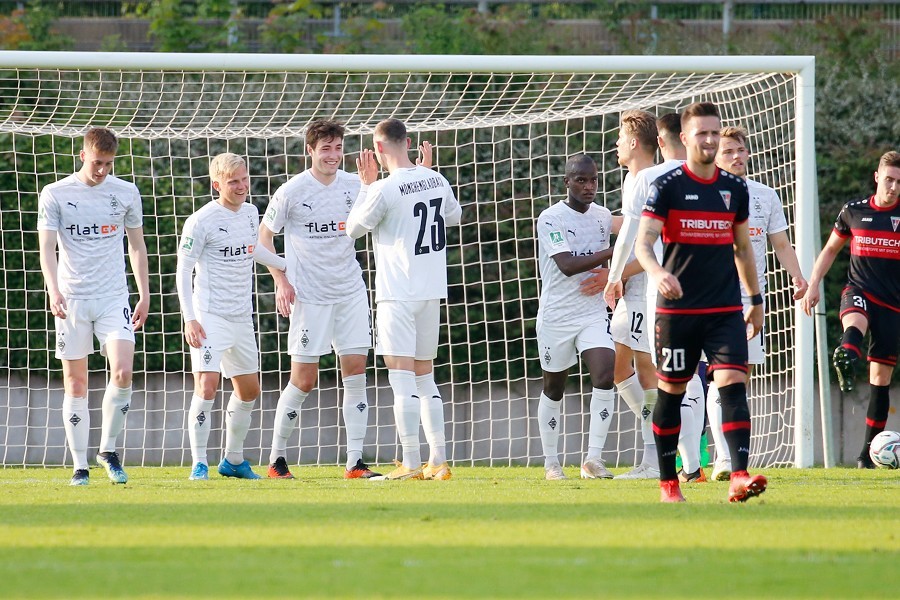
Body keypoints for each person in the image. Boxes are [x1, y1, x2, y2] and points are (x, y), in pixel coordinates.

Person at [259, 119, 422, 480]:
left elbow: (395, 205)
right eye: (325, 149)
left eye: (337, 148)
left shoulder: (357, 184)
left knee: (356, 373)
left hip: (350, 292)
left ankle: (354, 463)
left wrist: (421, 174)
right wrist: (281, 279)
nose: (333, 156)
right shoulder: (291, 191)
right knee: (303, 380)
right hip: (309, 297)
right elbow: (262, 240)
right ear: (310, 151)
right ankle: (276, 459)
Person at [635, 102, 767, 503]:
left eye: (714, 132)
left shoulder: (735, 189)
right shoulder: (667, 186)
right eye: (701, 133)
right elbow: (643, 244)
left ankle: (738, 476)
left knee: (732, 385)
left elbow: (743, 248)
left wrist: (755, 298)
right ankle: (668, 483)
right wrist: (657, 273)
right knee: (672, 393)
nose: (709, 140)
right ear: (686, 137)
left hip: (725, 309)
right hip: (678, 312)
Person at [346, 118, 461, 481]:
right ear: (408, 143)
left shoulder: (382, 188)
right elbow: (453, 217)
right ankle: (438, 461)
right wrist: (425, 178)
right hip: (432, 291)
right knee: (425, 377)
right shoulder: (437, 179)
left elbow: (352, 229)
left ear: (378, 149)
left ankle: (411, 462)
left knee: (402, 380)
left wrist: (365, 186)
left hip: (397, 294)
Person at [38, 127, 150, 486]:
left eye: (108, 164)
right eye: (97, 162)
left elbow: (136, 246)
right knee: (76, 383)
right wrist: (53, 291)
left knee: (122, 372)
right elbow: (47, 248)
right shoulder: (55, 193)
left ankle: (108, 450)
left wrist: (145, 294)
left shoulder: (126, 192)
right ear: (83, 155)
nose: (102, 170)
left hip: (114, 297)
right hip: (72, 300)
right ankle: (79, 467)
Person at [603, 112, 706, 482]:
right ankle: (687, 462)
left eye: (619, 137)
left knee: (670, 377)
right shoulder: (702, 175)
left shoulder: (649, 178)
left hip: (657, 291)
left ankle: (667, 460)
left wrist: (613, 276)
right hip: (693, 287)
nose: (615, 144)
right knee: (669, 374)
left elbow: (634, 238)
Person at [176, 153, 288, 481]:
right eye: (232, 182)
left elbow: (252, 249)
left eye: (243, 179)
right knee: (207, 385)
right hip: (209, 316)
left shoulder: (252, 212)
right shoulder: (201, 220)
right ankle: (199, 463)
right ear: (217, 185)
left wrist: (285, 265)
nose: (241, 187)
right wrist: (190, 318)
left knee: (250, 391)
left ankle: (233, 460)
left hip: (242, 317)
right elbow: (183, 271)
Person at [707, 125, 808, 480]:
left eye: (740, 151)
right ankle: (717, 458)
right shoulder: (705, 193)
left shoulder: (765, 196)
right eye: (728, 152)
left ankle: (724, 456)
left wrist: (798, 276)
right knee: (716, 378)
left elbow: (781, 244)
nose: (736, 157)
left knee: (737, 380)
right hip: (709, 301)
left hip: (750, 304)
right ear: (715, 157)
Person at [802, 150, 900, 469]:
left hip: (893, 304)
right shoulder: (853, 211)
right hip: (858, 290)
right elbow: (831, 249)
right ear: (876, 177)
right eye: (888, 179)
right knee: (853, 322)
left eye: (899, 182)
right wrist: (814, 283)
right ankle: (847, 352)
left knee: (880, 378)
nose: (894, 187)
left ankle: (866, 457)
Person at [533, 154, 624, 480]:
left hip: (592, 313)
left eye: (593, 180)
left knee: (604, 375)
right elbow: (567, 264)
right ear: (567, 182)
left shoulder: (603, 216)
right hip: (556, 316)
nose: (588, 186)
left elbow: (636, 228)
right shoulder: (550, 218)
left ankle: (593, 459)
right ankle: (551, 462)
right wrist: (616, 250)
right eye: (581, 180)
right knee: (554, 388)